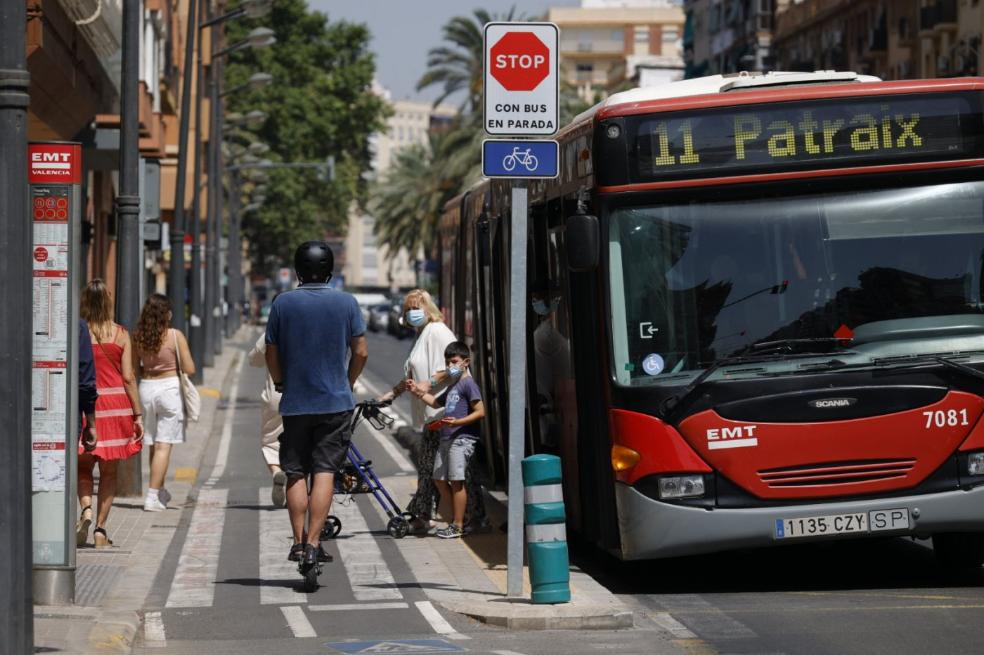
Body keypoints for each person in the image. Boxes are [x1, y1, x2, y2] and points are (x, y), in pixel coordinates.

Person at [265, 241, 368, 568]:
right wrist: (348, 383)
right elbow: (361, 352)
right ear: (329, 270)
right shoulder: (347, 302)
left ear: (297, 270)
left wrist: (281, 381)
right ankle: (313, 544)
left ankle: (297, 543)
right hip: (334, 403)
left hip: (295, 403)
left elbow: (271, 351)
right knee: (324, 471)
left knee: (295, 471)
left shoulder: (283, 304)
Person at [377, 289, 455, 532]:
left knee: (432, 466)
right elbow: (411, 377)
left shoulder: (439, 331)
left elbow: (458, 366)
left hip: (444, 412)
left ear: (428, 307)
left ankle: (426, 516)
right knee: (432, 467)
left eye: (416, 307)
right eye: (408, 309)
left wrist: (429, 384)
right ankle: (429, 514)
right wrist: (391, 395)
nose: (412, 313)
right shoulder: (422, 335)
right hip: (431, 415)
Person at [77, 280, 144, 547]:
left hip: (86, 406)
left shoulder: (79, 332)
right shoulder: (120, 334)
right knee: (109, 473)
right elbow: (128, 377)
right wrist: (137, 414)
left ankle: (86, 510)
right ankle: (101, 531)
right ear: (108, 302)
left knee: (83, 468)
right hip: (115, 409)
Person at [410, 341, 485, 539]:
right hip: (446, 438)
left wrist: (458, 421)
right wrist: (418, 392)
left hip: (461, 438)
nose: (450, 366)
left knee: (456, 481)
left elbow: (480, 411)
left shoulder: (468, 384)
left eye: (454, 361)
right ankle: (458, 518)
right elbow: (436, 403)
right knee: (439, 479)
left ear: (466, 362)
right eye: (448, 362)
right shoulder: (454, 385)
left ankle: (458, 524)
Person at [132, 293, 195, 512]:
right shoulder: (174, 336)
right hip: (169, 389)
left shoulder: (138, 336)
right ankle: (151, 497)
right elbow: (189, 368)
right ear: (166, 314)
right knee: (163, 445)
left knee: (153, 444)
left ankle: (158, 490)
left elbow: (134, 368)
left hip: (146, 388)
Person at [248, 332, 287, 506]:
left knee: (270, 440)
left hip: (276, 397)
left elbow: (254, 360)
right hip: (307, 395)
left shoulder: (272, 331)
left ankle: (276, 470)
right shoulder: (309, 322)